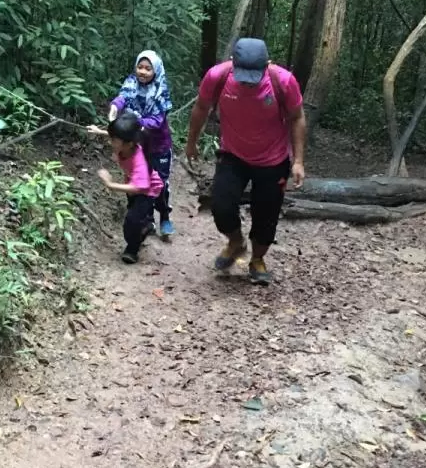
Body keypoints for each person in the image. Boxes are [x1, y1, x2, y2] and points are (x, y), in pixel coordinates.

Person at [184, 37, 307, 286]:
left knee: (266, 217)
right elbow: (200, 108)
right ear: (232, 63)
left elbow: (297, 117)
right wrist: (191, 142)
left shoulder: (283, 81)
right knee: (221, 206)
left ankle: (257, 260)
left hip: (273, 160)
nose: (248, 83)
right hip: (233, 154)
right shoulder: (217, 77)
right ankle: (235, 242)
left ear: (268, 65)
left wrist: (298, 161)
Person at [108, 51, 175, 238]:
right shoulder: (131, 83)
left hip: (158, 145)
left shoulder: (161, 90)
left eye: (148, 68)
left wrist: (134, 124)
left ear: (156, 70)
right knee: (139, 181)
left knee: (160, 183)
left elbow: (157, 120)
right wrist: (115, 107)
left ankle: (164, 215)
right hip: (138, 147)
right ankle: (146, 219)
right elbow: (123, 97)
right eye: (140, 67)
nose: (143, 72)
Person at [97, 112, 166, 264]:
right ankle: (146, 224)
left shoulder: (139, 161)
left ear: (128, 143)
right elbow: (118, 138)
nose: (110, 142)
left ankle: (132, 249)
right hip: (134, 184)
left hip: (146, 191)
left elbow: (138, 187)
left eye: (113, 139)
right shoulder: (128, 144)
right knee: (135, 212)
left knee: (131, 222)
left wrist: (110, 184)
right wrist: (99, 131)